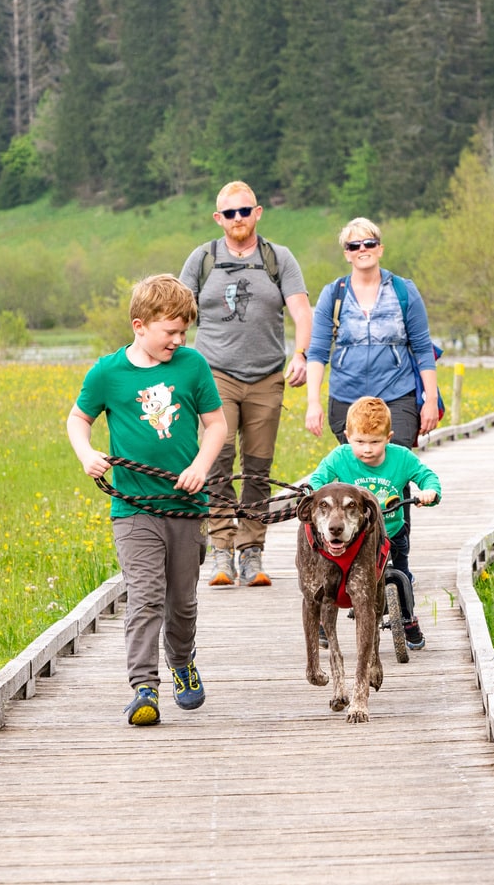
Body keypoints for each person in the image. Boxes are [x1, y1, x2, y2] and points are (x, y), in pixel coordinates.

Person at [67, 274, 228, 726]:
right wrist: (87, 453)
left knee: (182, 601)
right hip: (134, 509)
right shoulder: (107, 373)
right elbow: (78, 420)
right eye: (169, 333)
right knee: (145, 597)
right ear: (140, 326)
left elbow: (216, 425)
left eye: (183, 333)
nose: (177, 341)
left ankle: (182, 660)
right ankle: (144, 688)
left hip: (186, 506)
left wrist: (199, 466)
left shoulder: (192, 366)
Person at [178, 181, 313, 589]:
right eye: (230, 213)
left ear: (258, 213)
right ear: (218, 218)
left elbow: (302, 311)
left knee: (257, 466)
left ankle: (251, 551)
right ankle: (221, 547)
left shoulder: (279, 258)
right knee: (217, 460)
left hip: (267, 375)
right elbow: (178, 312)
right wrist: (173, 361)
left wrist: (302, 353)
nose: (238, 219)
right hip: (213, 373)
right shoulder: (202, 259)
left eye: (245, 211)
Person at [304, 217, 439, 585]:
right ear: (346, 253)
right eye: (354, 246)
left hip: (397, 394)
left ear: (379, 248)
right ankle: (352, 562)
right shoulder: (333, 295)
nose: (362, 250)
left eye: (369, 243)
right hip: (345, 397)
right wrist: (313, 401)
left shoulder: (404, 291)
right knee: (354, 477)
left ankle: (398, 562)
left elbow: (423, 348)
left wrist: (428, 398)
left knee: (392, 474)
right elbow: (317, 351)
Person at [306, 396, 440, 650]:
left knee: (402, 573)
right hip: (355, 537)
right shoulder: (341, 457)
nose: (367, 449)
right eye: (359, 442)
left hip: (391, 530)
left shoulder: (401, 458)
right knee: (334, 571)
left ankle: (408, 618)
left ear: (389, 438)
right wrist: (310, 491)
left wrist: (429, 492)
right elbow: (319, 478)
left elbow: (426, 476)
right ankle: (325, 620)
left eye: (375, 442)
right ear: (347, 436)